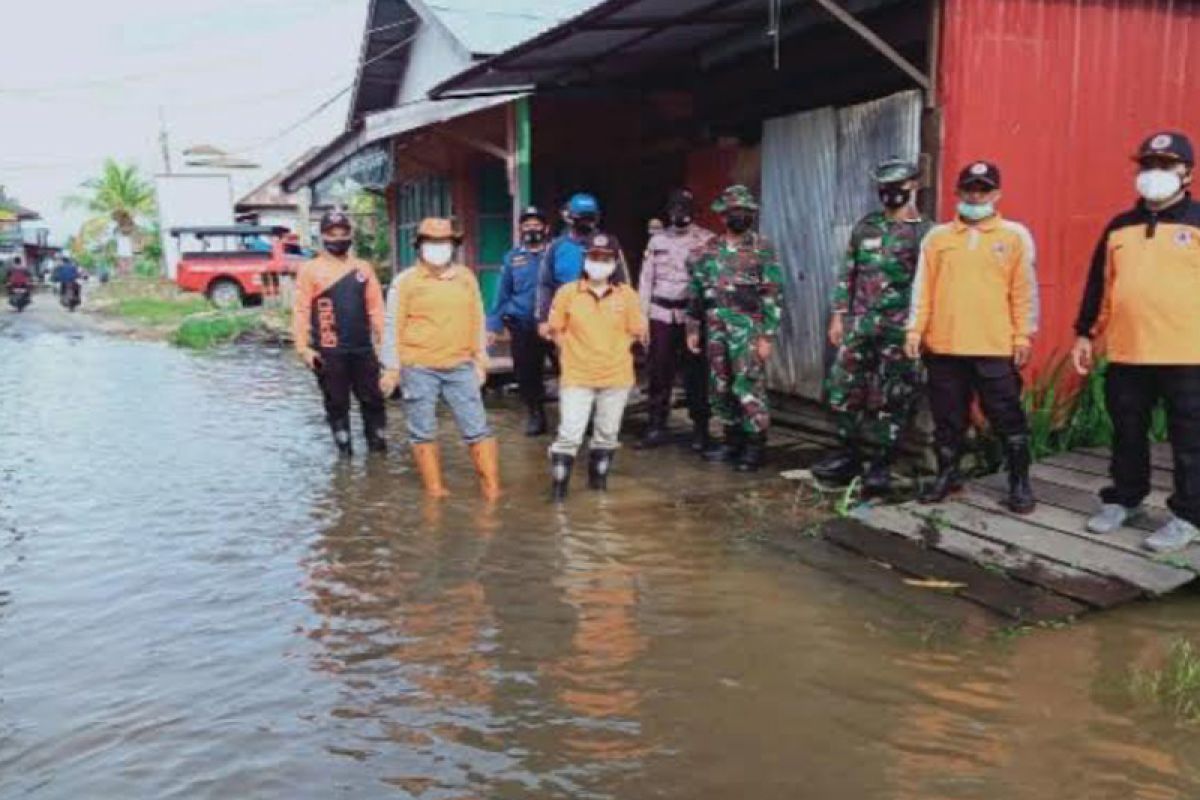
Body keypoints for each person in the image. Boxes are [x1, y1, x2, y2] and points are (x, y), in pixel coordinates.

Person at [1072, 131, 1200, 552]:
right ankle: (1126, 498)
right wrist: (1084, 333)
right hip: (1128, 350)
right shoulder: (1119, 227)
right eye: (1148, 165)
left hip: (1187, 353)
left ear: (1187, 172)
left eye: (1165, 165)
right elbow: (1100, 286)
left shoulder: (1197, 222)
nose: (1154, 173)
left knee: (1190, 439)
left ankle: (1188, 515)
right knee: (1127, 430)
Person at [905, 161, 1038, 513]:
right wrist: (915, 330)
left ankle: (1019, 482)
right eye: (969, 189)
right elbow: (923, 289)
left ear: (997, 194)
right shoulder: (937, 238)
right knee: (948, 419)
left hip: (994, 347)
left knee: (1007, 416)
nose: (976, 195)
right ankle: (948, 476)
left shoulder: (1014, 236)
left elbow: (1024, 292)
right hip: (945, 346)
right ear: (958, 193)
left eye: (983, 189)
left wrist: (1023, 337)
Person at [812, 159, 931, 494]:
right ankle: (847, 454)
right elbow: (848, 272)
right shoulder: (866, 227)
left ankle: (881, 463)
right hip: (861, 325)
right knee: (843, 386)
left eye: (898, 188)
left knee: (894, 394)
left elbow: (931, 284)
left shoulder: (926, 232)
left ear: (913, 187)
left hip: (900, 329)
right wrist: (838, 315)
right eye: (885, 189)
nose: (891, 194)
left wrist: (920, 330)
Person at [378, 218, 500, 501]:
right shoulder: (405, 282)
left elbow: (476, 318)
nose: (437, 248)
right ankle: (434, 493)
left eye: (443, 243)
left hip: (460, 365)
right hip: (418, 366)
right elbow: (392, 326)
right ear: (419, 247)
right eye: (431, 243)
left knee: (477, 427)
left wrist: (481, 358)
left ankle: (492, 489)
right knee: (422, 431)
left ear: (453, 246)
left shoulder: (466, 278)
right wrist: (391, 369)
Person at [686, 185, 784, 473]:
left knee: (748, 385)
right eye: (734, 212)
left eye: (745, 212)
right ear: (723, 216)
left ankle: (755, 444)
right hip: (715, 329)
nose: (740, 216)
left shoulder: (762, 248)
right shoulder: (709, 250)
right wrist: (692, 328)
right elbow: (695, 291)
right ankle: (732, 441)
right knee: (720, 386)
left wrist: (768, 335)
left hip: (748, 330)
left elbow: (773, 292)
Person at [546, 232, 647, 500]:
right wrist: (568, 352)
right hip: (577, 376)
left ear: (615, 263)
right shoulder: (568, 292)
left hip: (616, 377)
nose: (599, 262)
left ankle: (598, 491)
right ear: (585, 260)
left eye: (605, 258)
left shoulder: (627, 296)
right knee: (569, 435)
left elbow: (637, 332)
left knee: (607, 434)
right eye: (594, 257)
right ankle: (558, 496)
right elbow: (555, 330)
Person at [292, 210, 388, 457]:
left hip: (363, 349)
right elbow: (301, 311)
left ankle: (378, 455)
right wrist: (303, 348)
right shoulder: (310, 270)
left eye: (343, 232)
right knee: (337, 404)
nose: (338, 238)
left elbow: (376, 309)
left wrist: (385, 346)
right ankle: (344, 456)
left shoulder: (363, 269)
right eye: (332, 233)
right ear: (323, 236)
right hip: (328, 350)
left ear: (350, 235)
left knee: (373, 401)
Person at [636, 188, 716, 450]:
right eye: (674, 210)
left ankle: (700, 429)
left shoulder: (706, 240)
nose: (678, 215)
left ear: (693, 212)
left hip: (691, 316)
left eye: (684, 210)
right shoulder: (657, 241)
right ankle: (657, 425)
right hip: (660, 314)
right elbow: (646, 279)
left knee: (696, 374)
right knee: (659, 372)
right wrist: (641, 318)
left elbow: (712, 282)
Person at [487, 206, 552, 436]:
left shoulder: (554, 254)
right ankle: (536, 415)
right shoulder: (513, 258)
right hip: (523, 323)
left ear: (546, 228)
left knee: (570, 369)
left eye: (536, 225)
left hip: (556, 324)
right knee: (526, 372)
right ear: (520, 229)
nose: (531, 229)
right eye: (526, 226)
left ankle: (577, 418)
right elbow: (502, 293)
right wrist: (493, 325)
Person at [536, 193, 629, 335]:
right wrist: (543, 319)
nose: (586, 224)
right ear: (571, 218)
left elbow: (622, 282)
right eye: (582, 219)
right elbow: (545, 284)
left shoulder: (609, 244)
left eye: (590, 218)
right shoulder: (556, 246)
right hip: (565, 319)